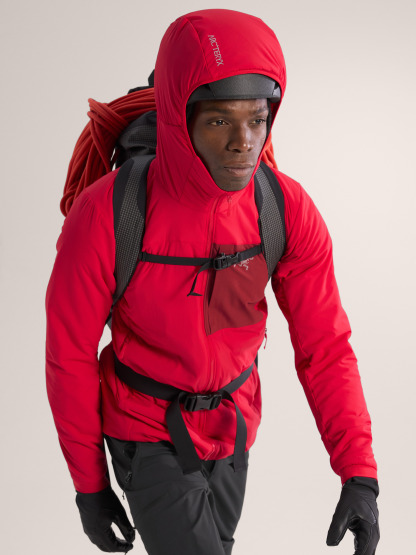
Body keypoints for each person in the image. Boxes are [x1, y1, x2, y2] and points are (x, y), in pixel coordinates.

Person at [46, 8, 380, 555]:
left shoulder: (283, 208)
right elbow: (69, 355)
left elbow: (325, 346)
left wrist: (359, 474)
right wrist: (91, 487)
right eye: (220, 121)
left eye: (257, 119)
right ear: (180, 121)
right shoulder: (108, 212)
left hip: (234, 427)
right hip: (144, 428)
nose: (244, 142)